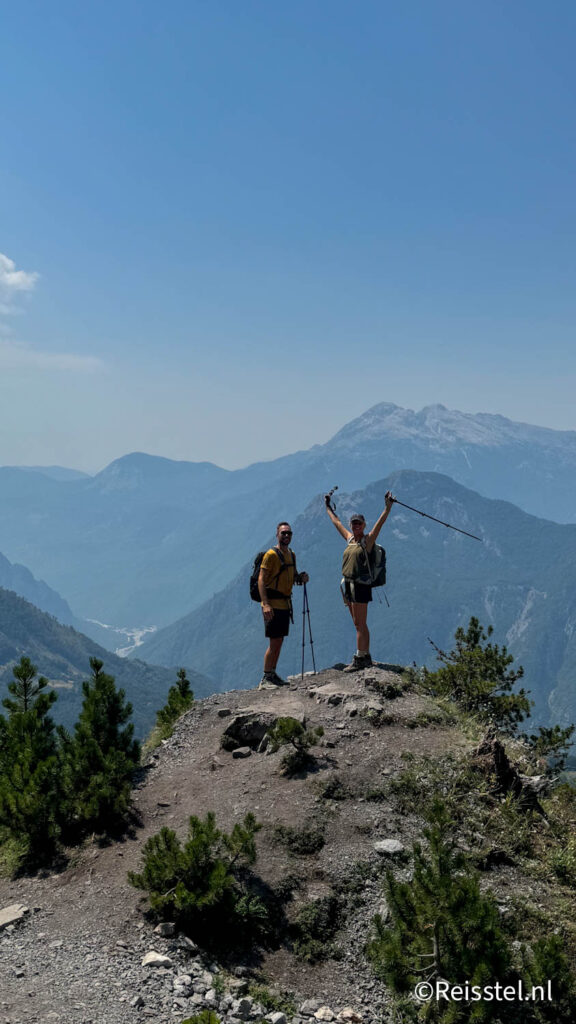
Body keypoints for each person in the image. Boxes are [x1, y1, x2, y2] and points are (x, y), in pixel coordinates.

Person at [324, 491, 394, 670]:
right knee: (357, 623)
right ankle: (365, 654)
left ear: (363, 525)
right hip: (348, 585)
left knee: (360, 623)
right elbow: (336, 523)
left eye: (358, 523)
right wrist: (328, 508)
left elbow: (380, 525)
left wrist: (387, 508)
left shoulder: (367, 541)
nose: (355, 526)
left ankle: (361, 657)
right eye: (353, 523)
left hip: (361, 586)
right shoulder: (350, 540)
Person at [258, 522, 309, 688]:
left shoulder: (291, 555)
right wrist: (265, 604)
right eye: (283, 533)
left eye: (289, 533)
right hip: (273, 604)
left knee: (279, 641)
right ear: (277, 535)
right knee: (274, 642)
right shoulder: (271, 555)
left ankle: (272, 674)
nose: (286, 536)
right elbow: (261, 580)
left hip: (285, 604)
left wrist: (300, 578)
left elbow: (291, 576)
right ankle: (266, 677)